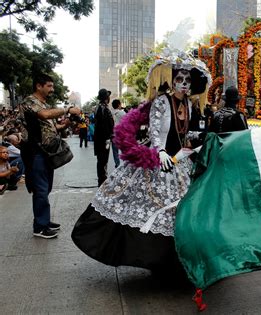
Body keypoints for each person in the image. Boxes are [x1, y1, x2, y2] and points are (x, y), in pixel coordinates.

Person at [72, 51, 211, 272]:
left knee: (181, 209)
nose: (184, 84)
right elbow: (155, 132)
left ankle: (176, 261)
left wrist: (195, 143)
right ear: (172, 81)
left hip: (181, 162)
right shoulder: (161, 102)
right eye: (179, 80)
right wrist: (161, 151)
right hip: (159, 160)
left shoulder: (190, 104)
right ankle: (154, 258)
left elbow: (185, 133)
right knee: (153, 206)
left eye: (187, 80)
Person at [18, 73, 81, 238]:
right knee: (40, 189)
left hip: (47, 152)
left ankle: (42, 221)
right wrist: (67, 109)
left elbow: (52, 127)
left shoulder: (44, 104)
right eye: (49, 86)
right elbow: (45, 115)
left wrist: (66, 123)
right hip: (35, 152)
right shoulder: (29, 102)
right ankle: (40, 227)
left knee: (46, 188)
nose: (52, 89)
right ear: (39, 86)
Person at [93, 89, 114, 186]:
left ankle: (102, 180)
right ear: (106, 98)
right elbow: (104, 125)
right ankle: (102, 181)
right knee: (103, 160)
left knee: (101, 161)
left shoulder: (99, 107)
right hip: (103, 140)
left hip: (100, 139)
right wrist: (108, 138)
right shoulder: (103, 108)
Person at [110, 99, 126, 168]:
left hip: (113, 134)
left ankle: (117, 163)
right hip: (121, 134)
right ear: (119, 105)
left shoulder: (110, 112)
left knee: (115, 151)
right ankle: (124, 163)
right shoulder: (122, 113)